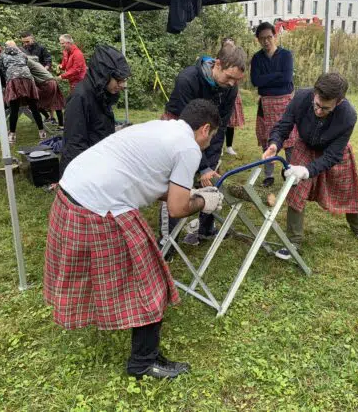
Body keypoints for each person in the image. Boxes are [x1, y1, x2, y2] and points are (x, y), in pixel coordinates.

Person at [44, 98, 224, 380]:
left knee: (127, 275)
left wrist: (190, 194)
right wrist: (204, 201)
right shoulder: (188, 147)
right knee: (150, 281)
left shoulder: (160, 127)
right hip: (99, 206)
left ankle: (141, 351)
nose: (207, 144)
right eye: (210, 137)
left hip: (72, 192)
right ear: (204, 129)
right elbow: (177, 209)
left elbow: (152, 182)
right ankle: (143, 362)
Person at [263, 72, 358, 259]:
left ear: (339, 102)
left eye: (326, 109)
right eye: (317, 105)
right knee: (295, 187)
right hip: (305, 145)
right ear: (314, 93)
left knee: (347, 189)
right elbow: (283, 126)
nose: (318, 111)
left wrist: (307, 170)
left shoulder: (348, 115)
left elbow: (333, 155)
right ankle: (293, 242)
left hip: (332, 151)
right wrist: (274, 144)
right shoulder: (301, 97)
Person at [160, 43, 245, 245]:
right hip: (178, 129)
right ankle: (168, 241)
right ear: (218, 64)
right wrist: (202, 165)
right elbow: (186, 130)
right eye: (229, 77)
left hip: (207, 132)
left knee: (212, 180)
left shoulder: (230, 88)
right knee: (177, 183)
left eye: (237, 80)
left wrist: (210, 165)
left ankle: (205, 229)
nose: (232, 83)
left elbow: (220, 127)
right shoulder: (187, 80)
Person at [59, 44, 130, 176]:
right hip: (83, 169)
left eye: (124, 80)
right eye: (119, 80)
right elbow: (74, 143)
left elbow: (98, 128)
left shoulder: (101, 92)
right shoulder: (80, 97)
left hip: (99, 160)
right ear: (103, 75)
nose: (122, 85)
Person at [251, 21, 297, 188]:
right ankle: (268, 175)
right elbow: (255, 81)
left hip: (285, 103)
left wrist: (267, 79)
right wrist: (277, 75)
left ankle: (290, 173)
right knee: (267, 140)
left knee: (290, 140)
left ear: (275, 36)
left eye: (269, 37)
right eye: (262, 38)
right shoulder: (257, 58)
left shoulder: (286, 55)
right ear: (258, 40)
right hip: (266, 105)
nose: (266, 41)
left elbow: (287, 79)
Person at [1, 41, 44, 143]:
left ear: (5, 47)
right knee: (33, 107)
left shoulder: (2, 55)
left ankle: (12, 135)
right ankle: (42, 132)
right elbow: (28, 61)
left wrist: (5, 83)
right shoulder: (22, 54)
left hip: (13, 79)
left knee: (14, 109)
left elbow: (2, 69)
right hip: (27, 78)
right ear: (15, 46)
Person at [219, 38, 245, 157]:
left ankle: (229, 146)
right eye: (227, 45)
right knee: (219, 120)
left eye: (232, 46)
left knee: (231, 121)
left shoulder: (237, 62)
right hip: (222, 94)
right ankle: (219, 146)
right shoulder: (220, 61)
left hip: (233, 94)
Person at [26, 55, 65, 130]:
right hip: (53, 81)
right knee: (57, 103)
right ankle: (60, 125)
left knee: (34, 103)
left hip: (46, 84)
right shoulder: (37, 63)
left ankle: (47, 117)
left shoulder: (28, 63)